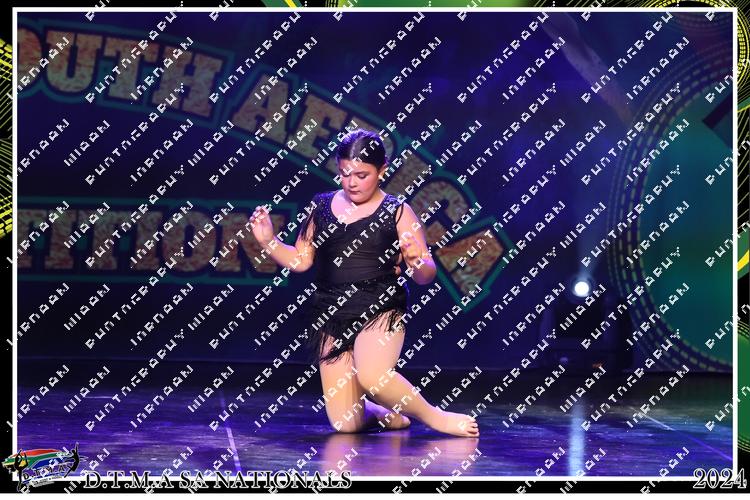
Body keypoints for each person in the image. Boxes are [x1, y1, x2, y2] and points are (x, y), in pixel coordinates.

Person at [251, 129, 479, 438]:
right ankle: (382, 414)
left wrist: (417, 263)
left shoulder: (398, 211)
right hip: (331, 310)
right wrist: (269, 242)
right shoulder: (320, 207)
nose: (352, 182)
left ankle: (436, 417)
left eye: (362, 175)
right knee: (345, 424)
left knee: (373, 377)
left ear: (382, 171)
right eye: (345, 173)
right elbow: (301, 260)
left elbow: (426, 274)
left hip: (379, 307)